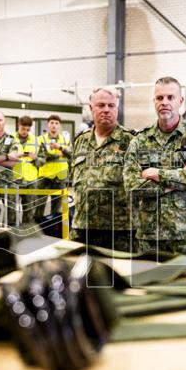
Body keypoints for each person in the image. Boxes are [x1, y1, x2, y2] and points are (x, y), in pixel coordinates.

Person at [123, 76, 186, 263]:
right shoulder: (140, 140)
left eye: (170, 97)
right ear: (154, 101)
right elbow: (132, 186)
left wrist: (157, 174)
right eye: (159, 98)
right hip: (150, 237)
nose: (165, 102)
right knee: (149, 289)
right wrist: (174, 183)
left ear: (180, 101)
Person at [71, 87, 134, 252]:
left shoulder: (131, 141)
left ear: (117, 109)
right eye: (101, 105)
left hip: (119, 232)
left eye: (111, 105)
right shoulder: (80, 141)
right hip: (82, 228)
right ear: (91, 109)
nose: (106, 110)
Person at [8, 115, 43, 226]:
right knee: (11, 211)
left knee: (29, 211)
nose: (25, 132)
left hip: (31, 181)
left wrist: (35, 159)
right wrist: (14, 157)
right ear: (18, 125)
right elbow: (3, 157)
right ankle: (12, 235)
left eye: (27, 129)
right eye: (23, 129)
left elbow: (43, 160)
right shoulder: (9, 139)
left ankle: (27, 236)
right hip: (14, 179)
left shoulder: (36, 140)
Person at [36, 114, 71, 223]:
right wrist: (59, 153)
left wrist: (60, 148)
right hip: (45, 176)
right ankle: (38, 228)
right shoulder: (41, 139)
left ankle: (54, 230)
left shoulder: (65, 140)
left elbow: (71, 154)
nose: (54, 126)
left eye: (56, 123)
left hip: (60, 177)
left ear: (60, 126)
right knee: (39, 206)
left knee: (57, 208)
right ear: (48, 125)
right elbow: (41, 156)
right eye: (52, 123)